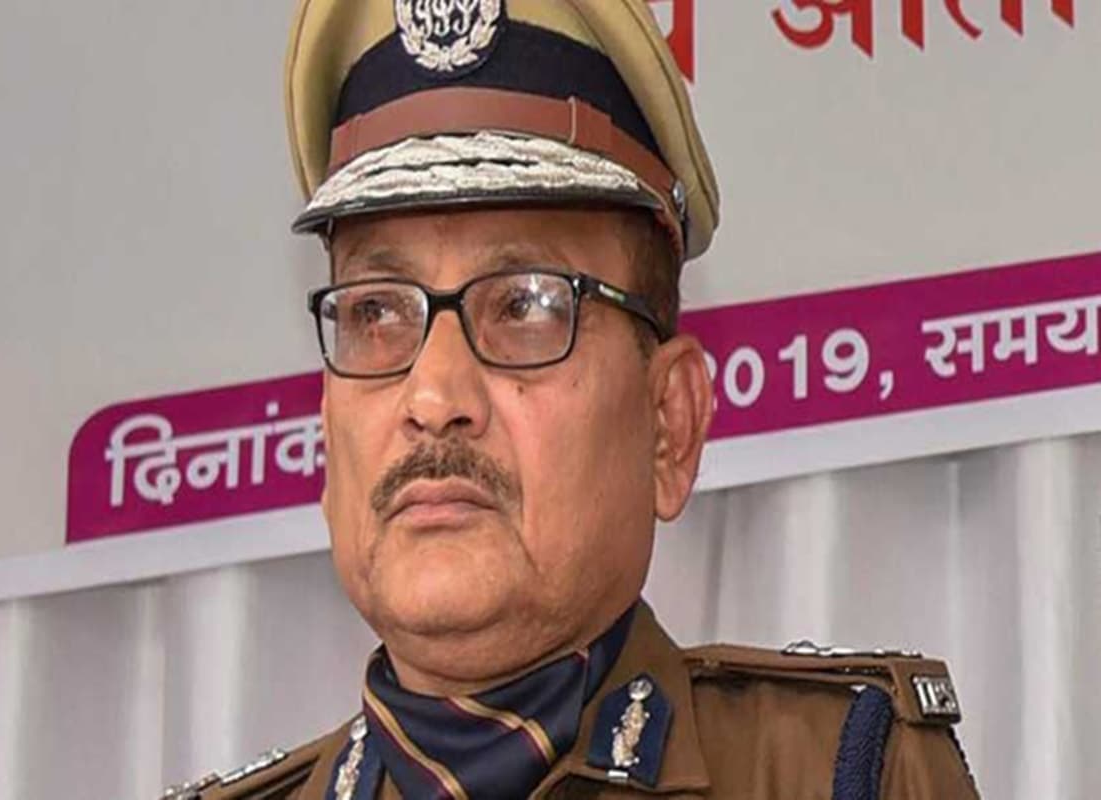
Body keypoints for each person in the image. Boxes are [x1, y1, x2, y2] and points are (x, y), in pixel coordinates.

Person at [163, 1, 979, 797]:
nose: (433, 395)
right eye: (376, 312)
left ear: (669, 426)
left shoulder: (841, 776)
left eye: (525, 305)